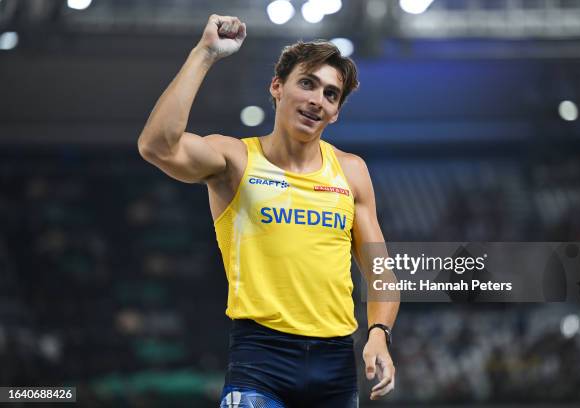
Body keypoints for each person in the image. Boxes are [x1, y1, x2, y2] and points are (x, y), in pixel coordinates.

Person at [137, 14, 399, 408]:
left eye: (330, 94)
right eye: (307, 83)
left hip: (336, 369)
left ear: (337, 112)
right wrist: (204, 54)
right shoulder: (235, 159)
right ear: (277, 87)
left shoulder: (351, 171)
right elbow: (157, 146)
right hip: (261, 361)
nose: (317, 100)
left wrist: (378, 332)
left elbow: (380, 272)